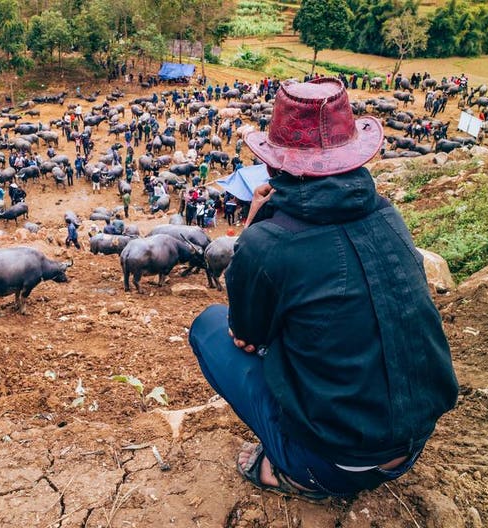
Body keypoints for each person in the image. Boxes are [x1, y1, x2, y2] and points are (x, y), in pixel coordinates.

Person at [188, 78, 458, 501]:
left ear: (274, 165)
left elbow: (245, 335)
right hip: (412, 443)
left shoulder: (268, 242)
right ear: (353, 159)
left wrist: (254, 229)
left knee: (208, 327)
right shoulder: (389, 216)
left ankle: (291, 469)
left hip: (336, 462)